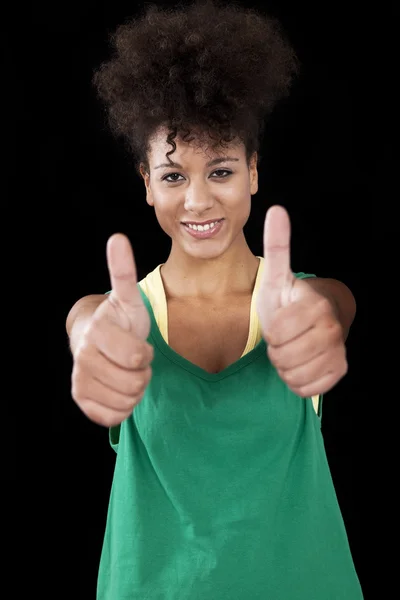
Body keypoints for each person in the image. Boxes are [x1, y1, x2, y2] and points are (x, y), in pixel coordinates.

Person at [66, 0, 363, 597]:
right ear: (147, 185)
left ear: (254, 172)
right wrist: (88, 340)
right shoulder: (115, 316)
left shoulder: (300, 305)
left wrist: (324, 314)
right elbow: (87, 326)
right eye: (174, 176)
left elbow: (332, 307)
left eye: (221, 171)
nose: (198, 201)